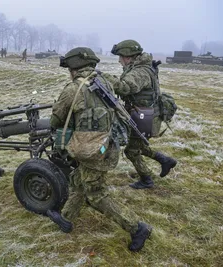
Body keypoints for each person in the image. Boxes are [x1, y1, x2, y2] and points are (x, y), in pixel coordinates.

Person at [46, 47, 152, 252]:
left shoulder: (72, 89)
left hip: (90, 149)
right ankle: (66, 218)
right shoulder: (103, 82)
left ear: (73, 68)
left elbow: (55, 120)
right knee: (78, 180)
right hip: (106, 144)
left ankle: (137, 228)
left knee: (96, 194)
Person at [102, 40, 177, 189]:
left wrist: (103, 77)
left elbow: (125, 87)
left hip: (144, 116)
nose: (119, 61)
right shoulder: (140, 68)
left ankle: (146, 179)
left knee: (132, 151)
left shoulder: (140, 72)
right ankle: (165, 160)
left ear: (128, 57)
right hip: (143, 114)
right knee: (139, 146)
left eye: (120, 57)